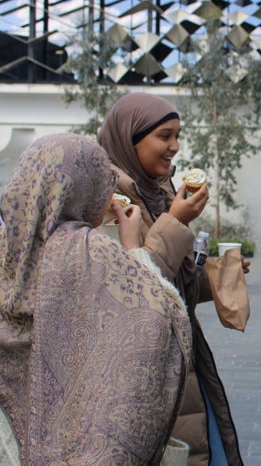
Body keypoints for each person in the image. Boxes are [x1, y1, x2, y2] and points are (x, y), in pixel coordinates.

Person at [0, 133, 192, 464]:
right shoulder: (89, 252)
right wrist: (132, 251)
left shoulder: (9, 246)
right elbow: (159, 318)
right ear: (82, 189)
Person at [98, 92, 245, 466]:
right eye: (165, 136)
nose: (175, 147)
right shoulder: (107, 202)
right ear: (131, 139)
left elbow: (171, 290)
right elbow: (134, 292)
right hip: (144, 378)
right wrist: (177, 221)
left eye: (177, 135)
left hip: (183, 367)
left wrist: (219, 275)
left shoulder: (158, 193)